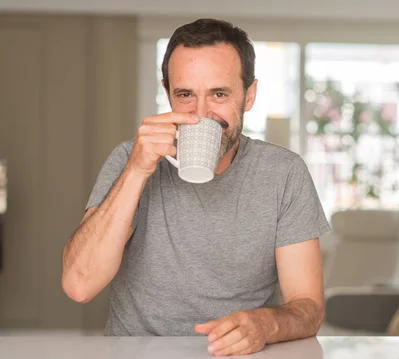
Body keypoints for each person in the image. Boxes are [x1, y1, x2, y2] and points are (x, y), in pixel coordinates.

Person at [61, 18, 331, 356]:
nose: (201, 114)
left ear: (249, 95)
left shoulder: (284, 173)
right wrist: (137, 170)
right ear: (167, 93)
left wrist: (266, 325)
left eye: (219, 94)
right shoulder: (129, 160)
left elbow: (307, 307)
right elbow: (79, 284)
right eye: (185, 94)